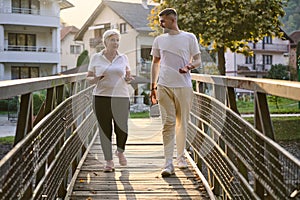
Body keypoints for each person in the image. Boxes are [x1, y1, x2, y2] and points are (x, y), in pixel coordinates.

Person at [150, 8, 202, 177]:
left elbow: (198, 59)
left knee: (182, 123)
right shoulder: (159, 40)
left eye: (163, 21)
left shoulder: (189, 37)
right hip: (164, 86)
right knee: (168, 124)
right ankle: (168, 163)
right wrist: (153, 86)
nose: (161, 24)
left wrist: (188, 66)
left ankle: (180, 158)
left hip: (183, 86)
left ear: (172, 20)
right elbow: (155, 63)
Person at [87, 29, 133, 172]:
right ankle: (109, 161)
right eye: (112, 40)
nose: (116, 43)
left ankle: (120, 151)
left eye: (117, 40)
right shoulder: (96, 57)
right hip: (101, 97)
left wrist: (128, 78)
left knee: (122, 128)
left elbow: (128, 75)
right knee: (105, 130)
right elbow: (88, 77)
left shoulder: (123, 58)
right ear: (105, 42)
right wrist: (95, 79)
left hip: (121, 97)